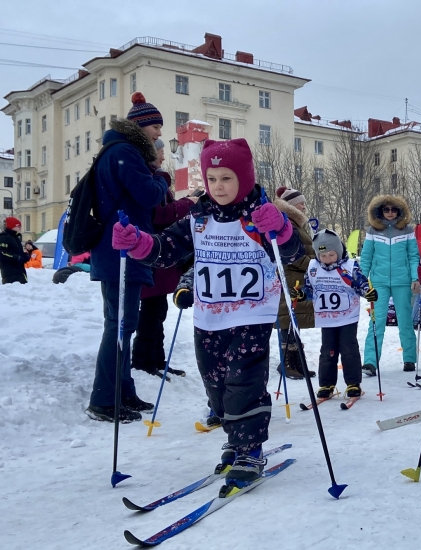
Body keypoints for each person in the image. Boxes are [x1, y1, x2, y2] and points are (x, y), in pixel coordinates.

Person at [113, 137, 300, 486]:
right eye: (212, 179)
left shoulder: (258, 216)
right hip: (209, 317)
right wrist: (138, 243)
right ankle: (234, 438)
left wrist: (281, 228)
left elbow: (290, 252)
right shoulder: (196, 217)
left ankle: (250, 450)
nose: (219, 186)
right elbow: (167, 250)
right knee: (216, 385)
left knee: (243, 382)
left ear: (243, 178)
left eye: (227, 178)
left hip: (251, 313)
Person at [86, 92, 168, 423]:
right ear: (141, 127)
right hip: (121, 248)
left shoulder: (118, 151)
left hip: (119, 248)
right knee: (119, 325)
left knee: (123, 324)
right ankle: (105, 399)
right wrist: (161, 179)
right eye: (156, 128)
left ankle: (123, 391)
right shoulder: (125, 153)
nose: (159, 134)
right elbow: (148, 195)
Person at [131, 139, 197, 379]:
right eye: (159, 152)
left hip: (157, 254)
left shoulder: (153, 179)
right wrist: (188, 203)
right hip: (154, 252)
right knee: (151, 311)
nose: (162, 157)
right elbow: (160, 214)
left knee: (157, 310)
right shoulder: (152, 182)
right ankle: (143, 360)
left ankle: (156, 360)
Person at [292, 229, 375, 399]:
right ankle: (326, 384)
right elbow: (309, 288)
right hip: (327, 318)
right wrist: (301, 294)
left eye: (331, 255)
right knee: (327, 351)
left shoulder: (350, 266)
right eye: (323, 256)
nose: (327, 259)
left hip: (347, 317)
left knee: (348, 349)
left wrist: (368, 292)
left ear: (338, 251)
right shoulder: (313, 267)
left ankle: (353, 383)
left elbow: (361, 284)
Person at [359, 195, 420, 374]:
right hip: (379, 282)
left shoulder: (407, 230)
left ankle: (409, 358)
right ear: (380, 211)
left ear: (400, 211)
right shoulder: (372, 231)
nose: (390, 213)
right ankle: (370, 362)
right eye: (386, 209)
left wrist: (415, 277)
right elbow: (366, 257)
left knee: (405, 321)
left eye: (394, 210)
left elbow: (413, 256)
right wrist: (362, 281)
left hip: (403, 281)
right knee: (376, 322)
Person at [273, 186, 316, 380]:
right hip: (289, 276)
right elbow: (291, 254)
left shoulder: (295, 223)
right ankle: (287, 362)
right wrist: (312, 266)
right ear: (291, 205)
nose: (304, 207)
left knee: (293, 319)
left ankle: (297, 360)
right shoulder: (287, 223)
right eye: (301, 203)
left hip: (296, 277)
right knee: (287, 319)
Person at [0, 217, 28, 284]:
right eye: (18, 226)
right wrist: (16, 258)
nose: (20, 228)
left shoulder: (16, 237)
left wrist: (25, 257)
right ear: (12, 226)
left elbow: (17, 252)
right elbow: (2, 253)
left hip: (20, 271)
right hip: (9, 273)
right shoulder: (3, 237)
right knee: (14, 291)